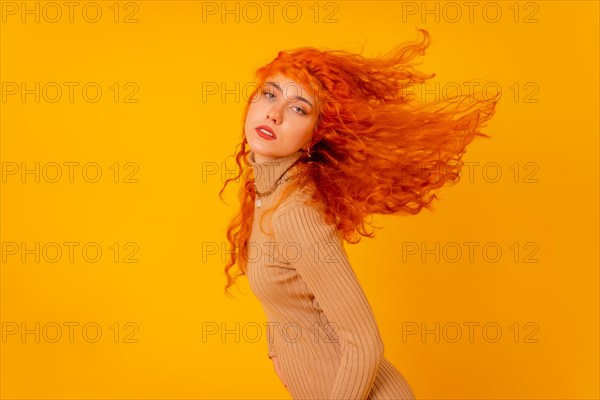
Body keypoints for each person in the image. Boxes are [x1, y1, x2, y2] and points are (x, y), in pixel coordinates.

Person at [219, 28, 498, 399]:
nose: (274, 112)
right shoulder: (267, 195)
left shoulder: (294, 213)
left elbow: (364, 342)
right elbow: (290, 308)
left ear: (316, 134)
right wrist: (282, 355)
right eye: (269, 94)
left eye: (299, 108)